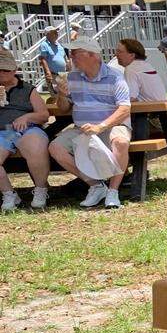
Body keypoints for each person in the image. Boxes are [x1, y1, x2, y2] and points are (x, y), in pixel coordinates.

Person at [48, 36, 133, 210]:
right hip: (82, 129)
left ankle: (113, 191)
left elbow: (124, 109)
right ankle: (95, 185)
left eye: (75, 53)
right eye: (70, 53)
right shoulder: (72, 78)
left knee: (121, 141)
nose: (71, 57)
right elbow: (63, 108)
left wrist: (101, 126)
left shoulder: (115, 77)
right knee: (55, 147)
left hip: (111, 126)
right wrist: (62, 95)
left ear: (93, 55)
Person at [0, 48, 51, 211]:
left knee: (36, 146)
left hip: (28, 128)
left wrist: (27, 117)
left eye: (5, 70)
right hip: (3, 131)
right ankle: (9, 194)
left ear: (14, 70)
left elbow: (43, 114)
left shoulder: (27, 89)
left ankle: (41, 190)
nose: (1, 73)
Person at [37, 26, 70, 91]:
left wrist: (68, 67)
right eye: (54, 32)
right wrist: (47, 72)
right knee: (56, 95)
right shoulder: (44, 45)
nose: (56, 34)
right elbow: (43, 59)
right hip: (53, 75)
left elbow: (64, 57)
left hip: (63, 75)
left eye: (56, 32)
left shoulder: (59, 45)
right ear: (48, 34)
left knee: (65, 95)